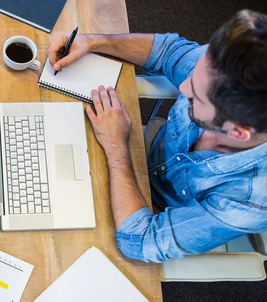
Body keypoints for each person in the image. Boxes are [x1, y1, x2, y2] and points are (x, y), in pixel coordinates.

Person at [47, 10, 267, 263]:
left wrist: (117, 147)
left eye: (196, 96)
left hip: (154, 211)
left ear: (238, 132)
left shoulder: (250, 201)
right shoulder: (228, 68)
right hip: (137, 155)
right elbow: (166, 50)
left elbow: (139, 240)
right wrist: (91, 41)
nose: (183, 88)